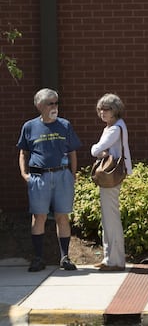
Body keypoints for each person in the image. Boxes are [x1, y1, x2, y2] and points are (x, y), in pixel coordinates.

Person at [17, 88, 82, 272]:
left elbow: (72, 151)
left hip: (62, 175)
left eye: (56, 103)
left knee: (63, 216)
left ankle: (65, 258)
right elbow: (23, 152)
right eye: (50, 103)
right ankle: (38, 258)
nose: (55, 106)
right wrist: (24, 174)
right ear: (39, 106)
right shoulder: (29, 126)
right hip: (38, 177)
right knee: (39, 216)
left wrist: (73, 174)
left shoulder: (65, 125)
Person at [90, 93, 133, 272]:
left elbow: (96, 149)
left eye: (105, 109)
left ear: (114, 110)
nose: (102, 112)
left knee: (111, 217)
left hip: (112, 176)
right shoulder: (113, 126)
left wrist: (99, 151)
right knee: (108, 217)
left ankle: (115, 260)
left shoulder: (115, 128)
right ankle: (109, 258)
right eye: (100, 109)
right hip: (111, 175)